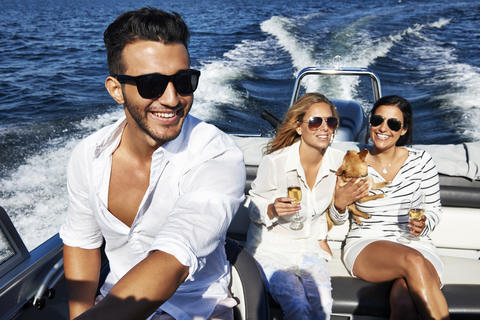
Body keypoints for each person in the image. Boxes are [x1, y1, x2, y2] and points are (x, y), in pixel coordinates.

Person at [59, 8, 245, 320]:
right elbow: (82, 242)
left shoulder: (217, 154)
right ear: (116, 89)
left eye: (184, 81)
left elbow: (174, 258)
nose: (172, 99)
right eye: (151, 84)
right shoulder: (88, 156)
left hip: (195, 307)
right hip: (112, 301)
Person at [245, 93, 369, 320]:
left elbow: (337, 218)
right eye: (315, 121)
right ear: (299, 127)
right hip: (272, 249)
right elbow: (253, 207)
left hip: (311, 248)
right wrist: (271, 209)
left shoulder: (339, 162)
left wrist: (340, 205)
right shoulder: (275, 162)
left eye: (330, 122)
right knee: (298, 306)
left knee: (322, 308)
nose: (324, 128)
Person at [342, 95, 449, 320]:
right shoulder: (352, 161)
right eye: (378, 120)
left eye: (393, 124)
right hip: (367, 242)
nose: (383, 128)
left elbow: (433, 209)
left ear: (403, 130)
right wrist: (340, 203)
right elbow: (338, 215)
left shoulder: (422, 161)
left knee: (404, 299)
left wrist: (424, 224)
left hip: (416, 244)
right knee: (414, 261)